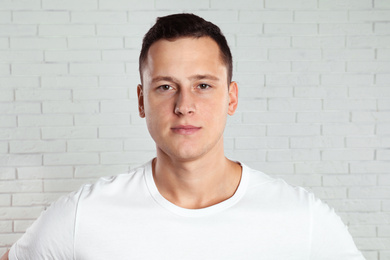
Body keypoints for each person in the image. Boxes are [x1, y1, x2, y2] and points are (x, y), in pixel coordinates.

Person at [2, 13, 365, 260]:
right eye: (165, 87)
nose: (184, 105)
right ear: (142, 101)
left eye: (203, 85)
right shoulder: (85, 214)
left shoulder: (302, 219)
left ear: (232, 97)